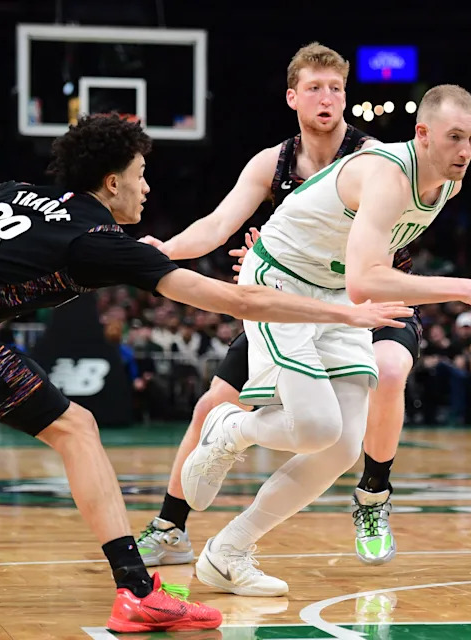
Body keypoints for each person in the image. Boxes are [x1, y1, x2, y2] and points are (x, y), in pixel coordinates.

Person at [0, 114, 410, 631]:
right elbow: (223, 299)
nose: (147, 187)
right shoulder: (98, 241)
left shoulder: (11, 193)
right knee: (77, 429)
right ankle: (137, 589)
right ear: (112, 182)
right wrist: (341, 311)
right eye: (141, 175)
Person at [180, 84, 471, 597]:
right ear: (422, 134)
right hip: (280, 281)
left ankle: (227, 553)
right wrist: (466, 287)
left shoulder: (448, 184)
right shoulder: (388, 173)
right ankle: (231, 429)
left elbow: (355, 278)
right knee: (315, 427)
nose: (465, 151)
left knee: (340, 448)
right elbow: (367, 279)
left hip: (334, 295)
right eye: (454, 138)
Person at [136, 43, 422, 568]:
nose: (327, 98)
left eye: (336, 88)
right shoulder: (272, 162)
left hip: (370, 297)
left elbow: (371, 249)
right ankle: (170, 527)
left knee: (389, 366)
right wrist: (168, 249)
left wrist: (271, 247)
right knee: (211, 405)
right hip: (292, 297)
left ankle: (373, 497)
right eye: (315, 87)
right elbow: (219, 226)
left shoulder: (376, 158)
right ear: (293, 97)